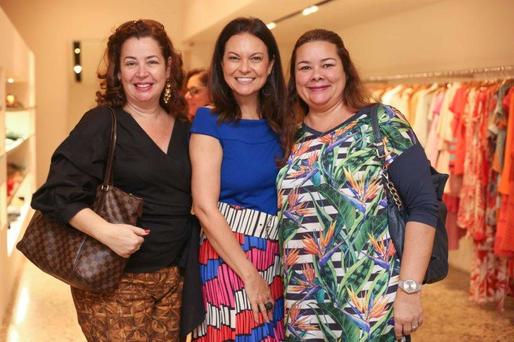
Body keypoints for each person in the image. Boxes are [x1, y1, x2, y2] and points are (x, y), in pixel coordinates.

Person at [31, 19, 202, 341]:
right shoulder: (101, 123)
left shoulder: (184, 127)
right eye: (130, 63)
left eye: (151, 61)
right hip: (114, 282)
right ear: (118, 72)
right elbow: (55, 194)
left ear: (167, 67)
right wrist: (106, 232)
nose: (141, 73)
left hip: (174, 281)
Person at [276, 29, 439, 341]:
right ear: (293, 77)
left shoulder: (381, 123)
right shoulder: (289, 137)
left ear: (345, 70)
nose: (316, 76)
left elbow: (423, 206)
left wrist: (409, 290)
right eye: (305, 67)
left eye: (327, 65)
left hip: (370, 305)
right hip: (304, 307)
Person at [190, 17, 294, 341]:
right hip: (231, 256)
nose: (244, 68)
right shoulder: (209, 120)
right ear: (221, 64)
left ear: (271, 65)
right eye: (234, 57)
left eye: (256, 58)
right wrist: (249, 274)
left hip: (278, 255)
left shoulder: (285, 123)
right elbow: (204, 207)